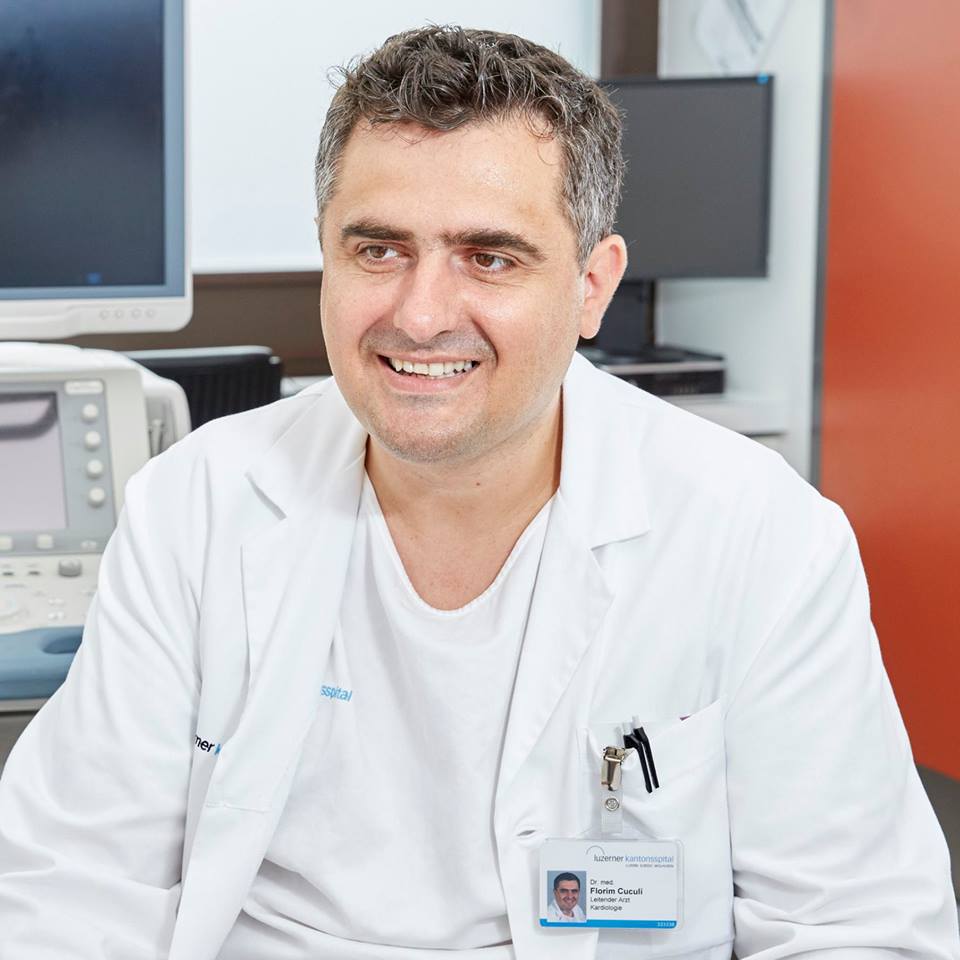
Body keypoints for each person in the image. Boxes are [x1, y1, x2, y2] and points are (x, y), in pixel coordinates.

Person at [0, 23, 958, 960]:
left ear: (592, 285)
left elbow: (859, 929)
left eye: (490, 258)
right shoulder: (194, 507)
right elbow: (69, 886)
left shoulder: (759, 536)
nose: (420, 317)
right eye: (379, 250)